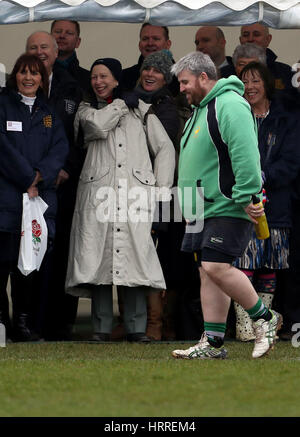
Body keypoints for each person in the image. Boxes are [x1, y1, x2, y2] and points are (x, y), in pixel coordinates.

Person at [170, 51, 282, 360]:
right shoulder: (201, 108)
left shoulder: (230, 104)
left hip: (227, 203)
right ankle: (214, 344)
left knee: (215, 266)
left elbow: (246, 154)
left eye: (185, 82)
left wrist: (248, 196)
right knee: (208, 273)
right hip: (200, 207)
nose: (181, 89)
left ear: (204, 77)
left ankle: (265, 318)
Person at [65, 58, 175, 342]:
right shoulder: (85, 110)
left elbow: (164, 149)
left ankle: (137, 327)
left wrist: (161, 192)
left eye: (104, 76)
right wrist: (120, 104)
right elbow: (97, 129)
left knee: (134, 257)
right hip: (98, 195)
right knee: (98, 258)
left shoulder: (142, 111)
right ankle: (100, 327)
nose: (98, 82)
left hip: (136, 195)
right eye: (94, 77)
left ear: (116, 79)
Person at [0, 53, 68, 341]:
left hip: (38, 202)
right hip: (7, 201)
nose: (28, 78)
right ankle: (2, 322)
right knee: (2, 263)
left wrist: (39, 177)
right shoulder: (3, 105)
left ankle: (24, 324)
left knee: (29, 267)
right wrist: (28, 178)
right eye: (23, 72)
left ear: (43, 79)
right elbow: (3, 149)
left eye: (35, 73)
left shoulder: (49, 112)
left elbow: (60, 149)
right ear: (15, 75)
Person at [233, 62, 300, 341]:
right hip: (243, 205)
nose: (250, 87)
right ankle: (245, 325)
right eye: (245, 82)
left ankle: (264, 323)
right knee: (244, 262)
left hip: (277, 206)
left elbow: (292, 162)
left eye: (255, 81)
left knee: (270, 264)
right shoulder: (235, 115)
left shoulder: (286, 118)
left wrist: (264, 176)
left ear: (267, 84)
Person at [26, 31, 83, 340]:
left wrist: (64, 169)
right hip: (27, 186)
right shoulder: (13, 91)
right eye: (33, 47)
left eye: (44, 46)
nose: (39, 51)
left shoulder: (71, 85)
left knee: (59, 256)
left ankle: (59, 324)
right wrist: (33, 175)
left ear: (55, 48)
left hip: (63, 185)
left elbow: (75, 136)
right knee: (28, 255)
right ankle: (28, 322)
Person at [238, 23, 295, 97]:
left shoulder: (285, 72)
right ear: (240, 40)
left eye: (256, 34)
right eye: (246, 35)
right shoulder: (228, 73)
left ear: (268, 39)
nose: (250, 39)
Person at [122, 24, 179, 96]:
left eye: (156, 39)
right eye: (145, 39)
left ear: (168, 44)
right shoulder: (124, 77)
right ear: (139, 45)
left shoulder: (181, 78)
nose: (150, 43)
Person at [50, 20, 90, 93]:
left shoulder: (89, 79)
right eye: (58, 31)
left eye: (69, 33)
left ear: (78, 42)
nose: (62, 36)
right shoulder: (33, 74)